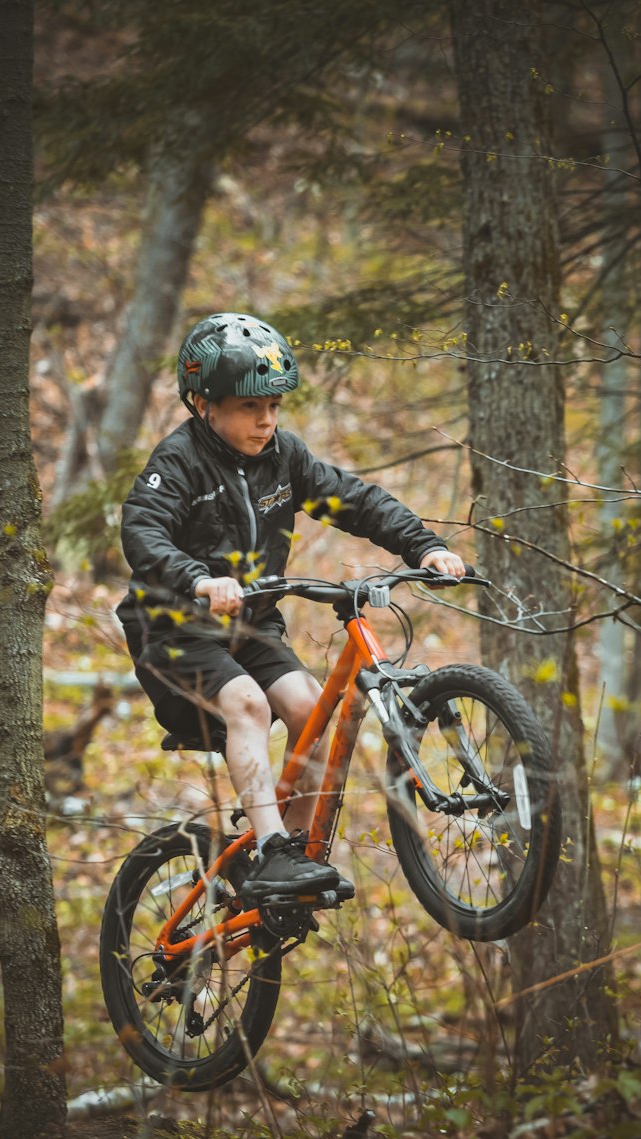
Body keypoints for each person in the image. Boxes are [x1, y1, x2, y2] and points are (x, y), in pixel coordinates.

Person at [117, 311, 465, 901]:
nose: (267, 420)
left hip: (251, 625)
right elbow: (142, 532)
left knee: (311, 711)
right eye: (251, 407)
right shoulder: (177, 462)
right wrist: (198, 580)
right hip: (175, 630)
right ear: (204, 404)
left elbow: (356, 502)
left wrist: (424, 546)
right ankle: (273, 850)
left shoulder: (283, 457)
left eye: (275, 406)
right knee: (248, 705)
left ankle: (297, 861)